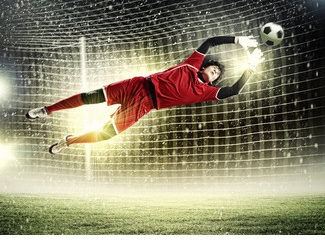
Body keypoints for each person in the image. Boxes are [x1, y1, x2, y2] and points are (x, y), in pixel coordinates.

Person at [26, 35, 264, 154]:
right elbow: (210, 42)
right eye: (212, 68)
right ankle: (46, 110)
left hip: (147, 104)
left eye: (216, 74)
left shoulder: (206, 92)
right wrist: (238, 40)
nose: (213, 73)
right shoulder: (192, 64)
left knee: (106, 135)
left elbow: (234, 90)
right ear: (204, 66)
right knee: (90, 97)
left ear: (214, 81)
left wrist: (250, 67)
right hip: (138, 85)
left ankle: (68, 141)